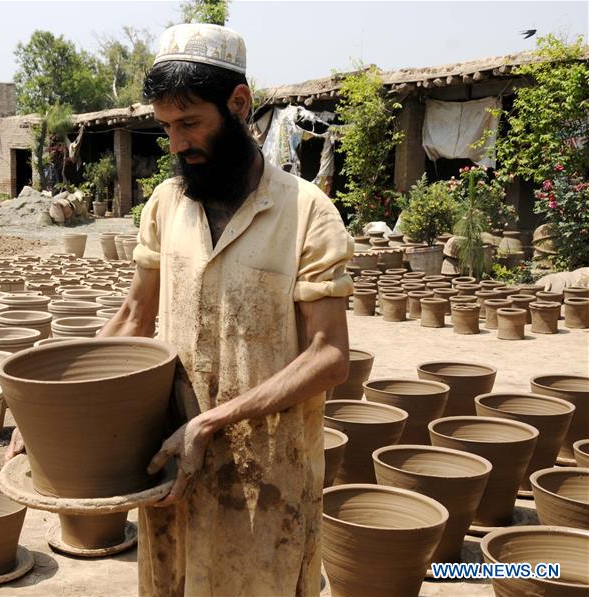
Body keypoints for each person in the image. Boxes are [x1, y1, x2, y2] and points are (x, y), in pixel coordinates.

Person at [98, 23, 353, 596]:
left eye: (190, 123)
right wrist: (57, 404)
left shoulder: (307, 213)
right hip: (169, 471)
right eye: (166, 127)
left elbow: (330, 357)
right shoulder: (166, 205)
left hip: (267, 478)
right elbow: (134, 320)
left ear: (238, 104)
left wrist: (210, 423)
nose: (177, 143)